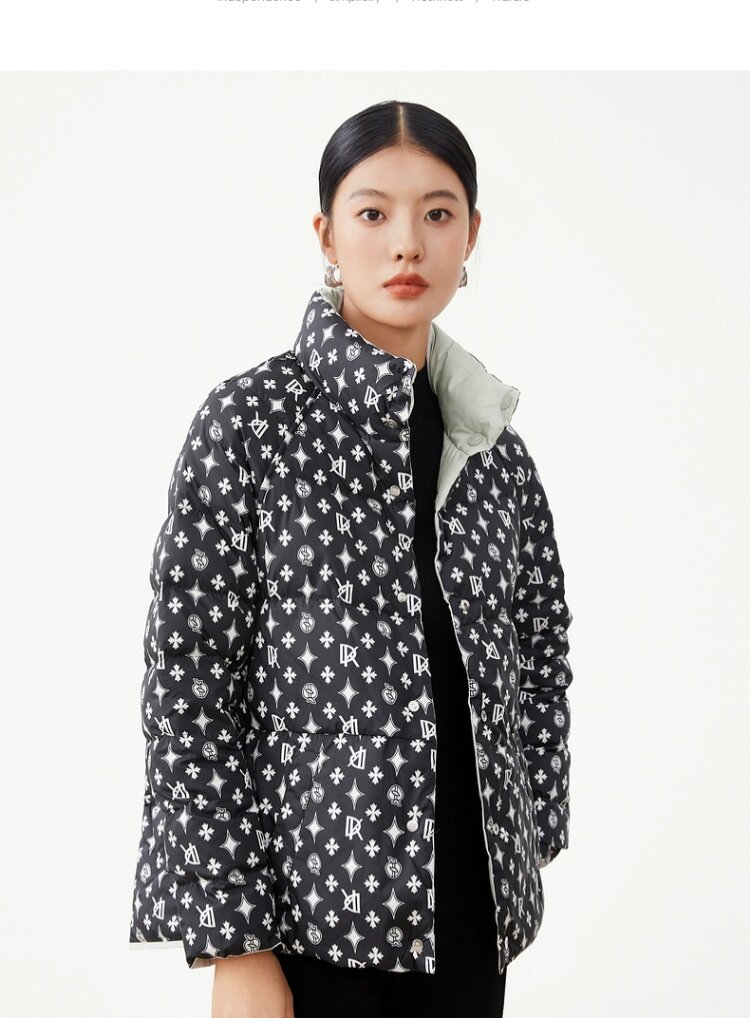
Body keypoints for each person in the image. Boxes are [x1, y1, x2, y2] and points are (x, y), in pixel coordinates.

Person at [129, 100, 575, 1018]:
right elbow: (189, 685)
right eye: (373, 213)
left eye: (438, 213)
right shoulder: (252, 424)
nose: (407, 243)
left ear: (471, 235)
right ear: (327, 234)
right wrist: (235, 942)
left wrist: (528, 832)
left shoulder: (493, 444)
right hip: (310, 933)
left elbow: (540, 647)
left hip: (474, 928)